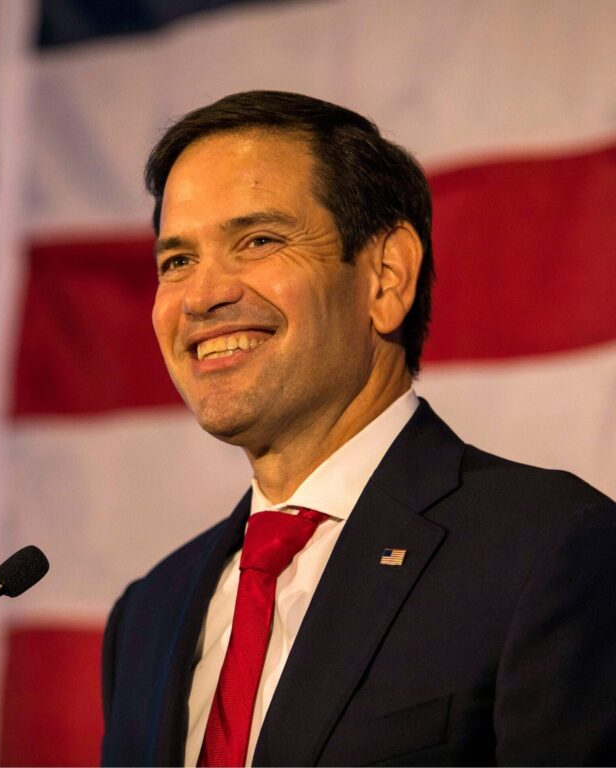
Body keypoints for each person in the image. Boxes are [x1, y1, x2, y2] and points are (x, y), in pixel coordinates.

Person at [100, 91, 616, 766]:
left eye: (258, 241)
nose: (200, 296)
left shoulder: (548, 549)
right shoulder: (146, 616)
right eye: (176, 261)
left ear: (386, 278)